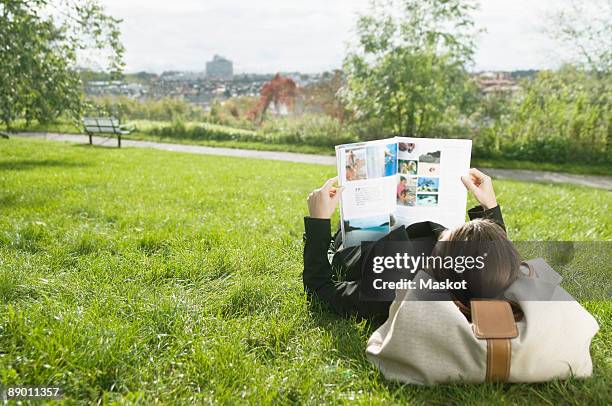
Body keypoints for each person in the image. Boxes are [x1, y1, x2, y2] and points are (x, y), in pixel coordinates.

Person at [303, 168, 515, 321]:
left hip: (361, 246)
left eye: (446, 238)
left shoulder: (390, 292)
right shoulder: (488, 279)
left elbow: (320, 289)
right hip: (402, 230)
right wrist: (490, 206)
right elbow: (498, 264)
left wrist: (318, 222)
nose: (445, 232)